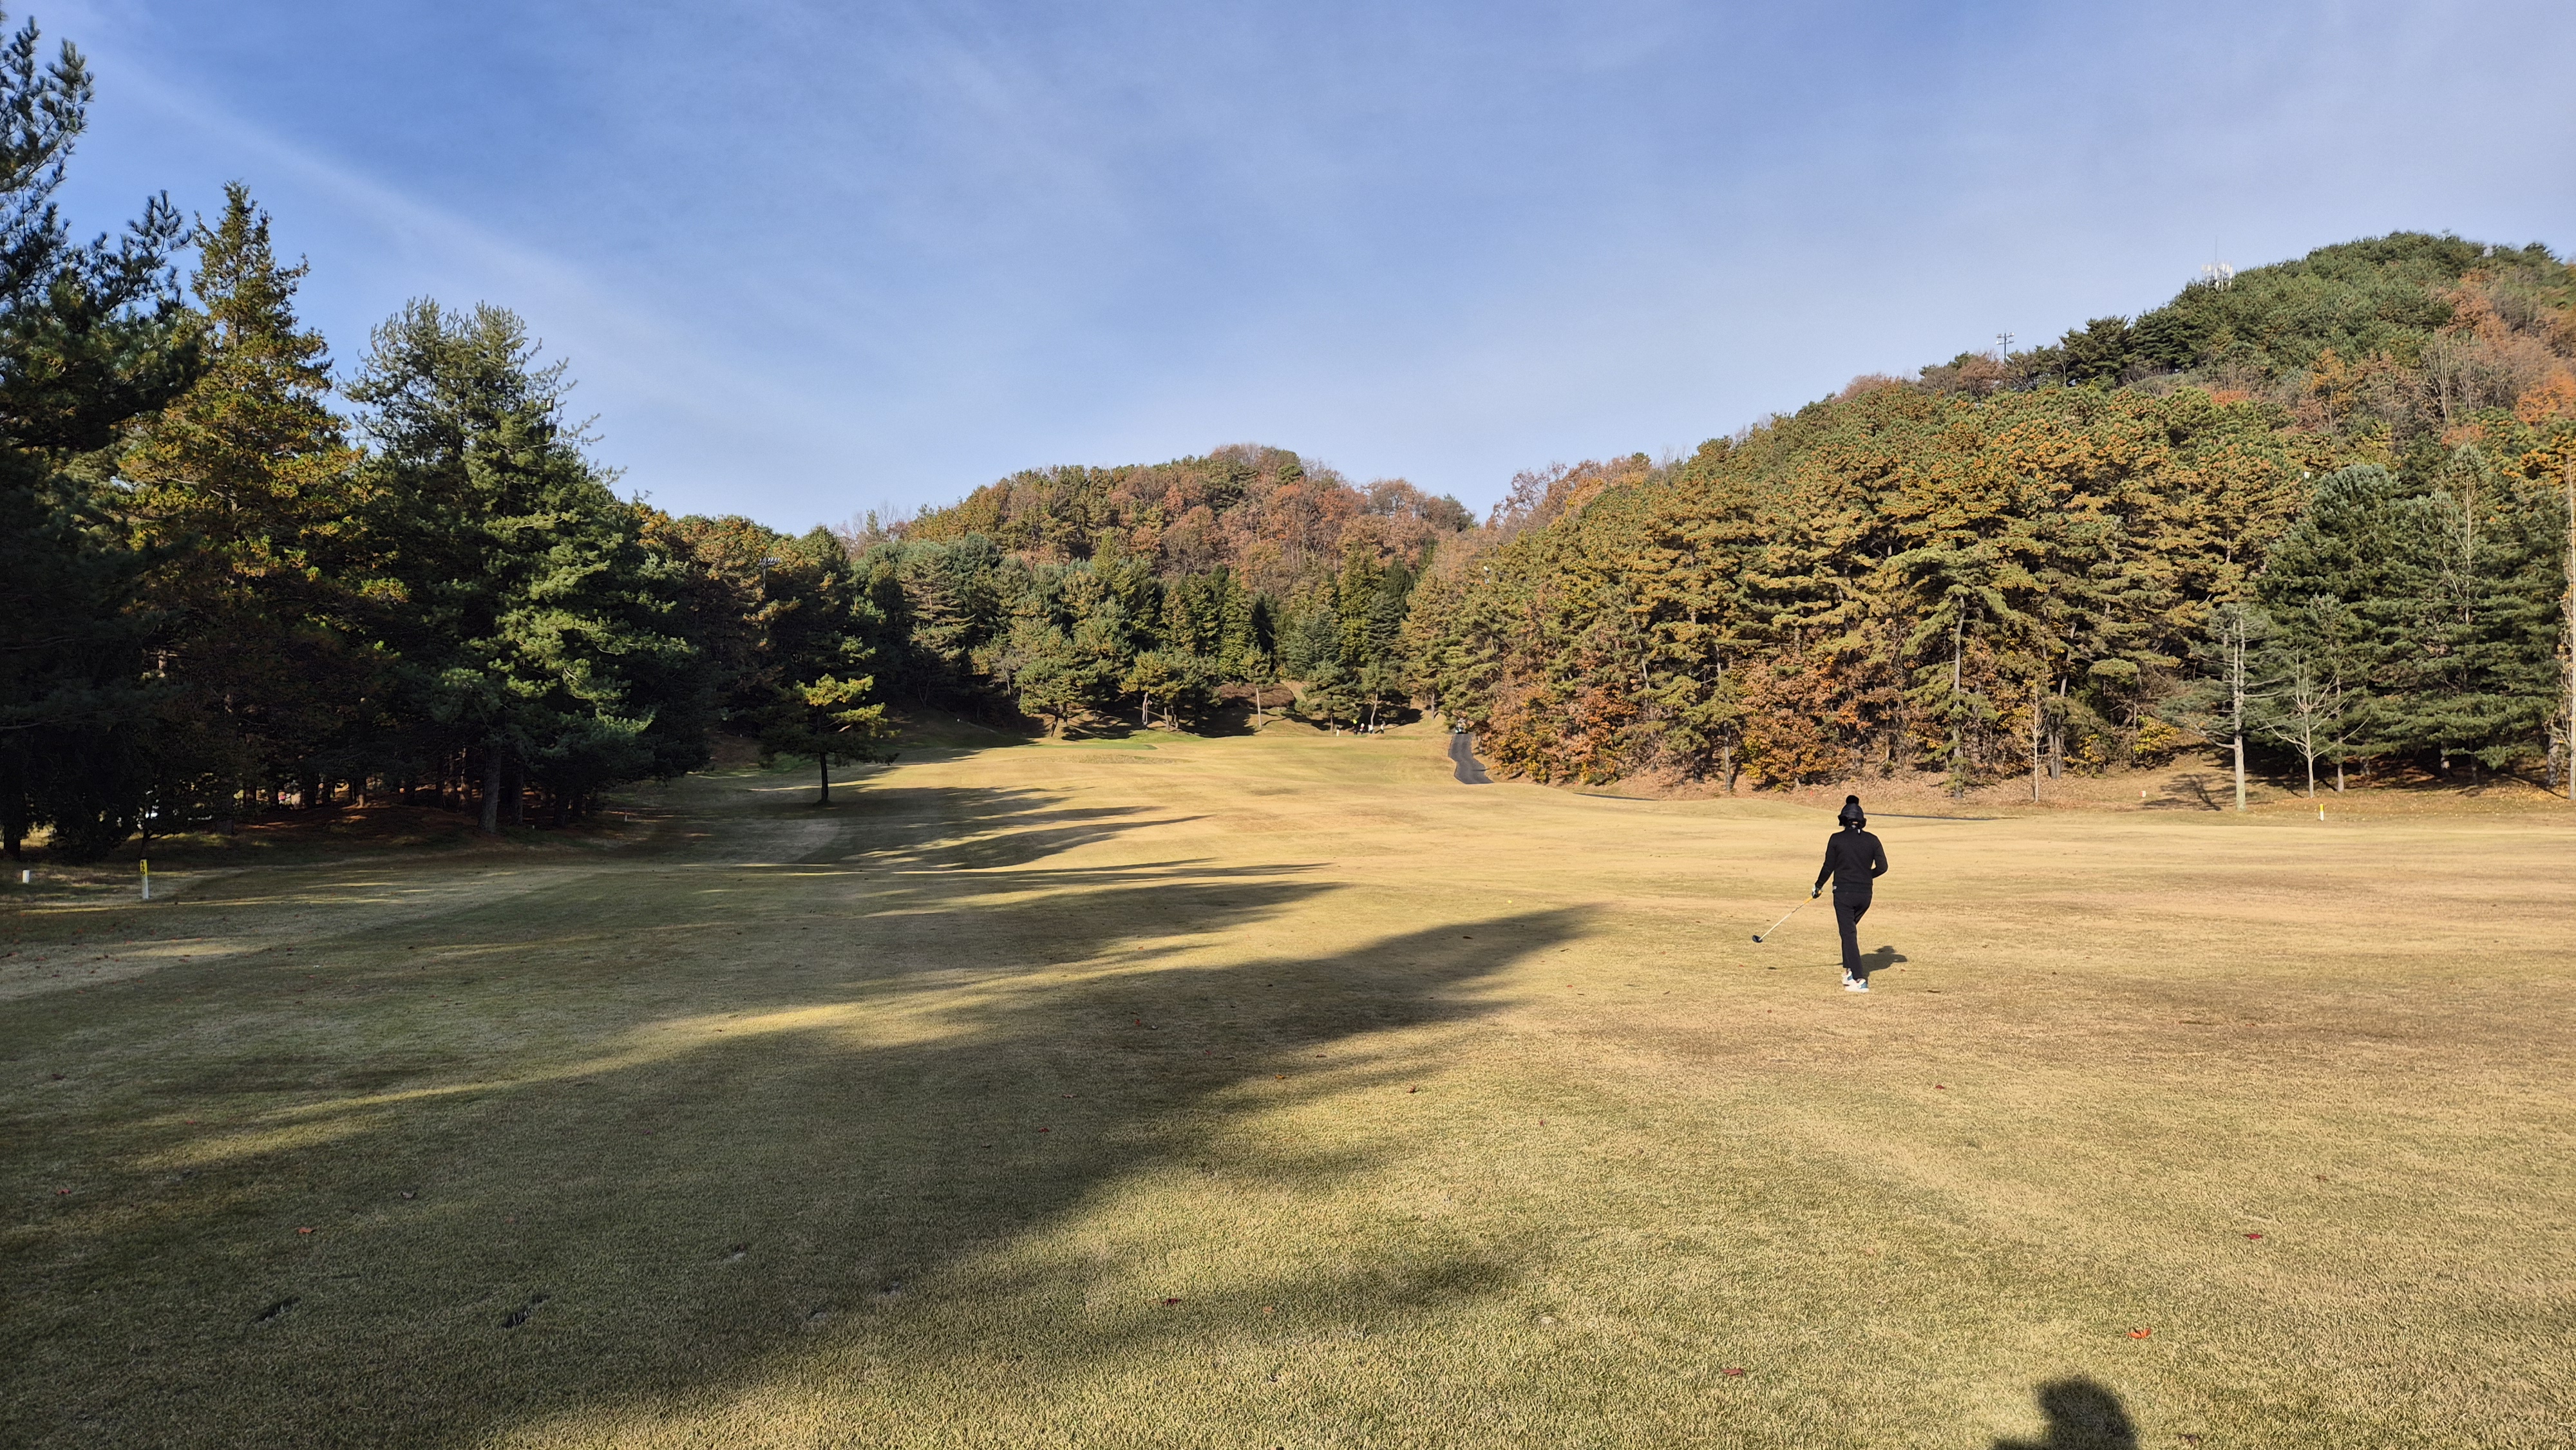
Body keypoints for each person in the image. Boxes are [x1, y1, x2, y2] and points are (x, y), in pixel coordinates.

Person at [1812, 795, 1888, 992]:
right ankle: (1848, 972)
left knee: (1849, 933)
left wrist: (1818, 886)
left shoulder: (1836, 839)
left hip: (1844, 894)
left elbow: (1828, 867)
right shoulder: (1872, 840)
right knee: (1848, 932)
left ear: (1843, 820)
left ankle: (1860, 980)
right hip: (1865, 895)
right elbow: (1882, 867)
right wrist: (1865, 876)